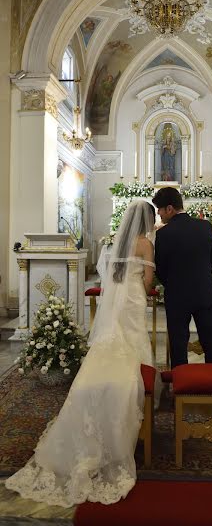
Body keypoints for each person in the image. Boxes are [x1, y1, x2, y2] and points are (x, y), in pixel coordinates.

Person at [6, 201, 157, 507]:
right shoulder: (145, 244)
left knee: (111, 343)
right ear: (148, 221)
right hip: (135, 299)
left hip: (118, 302)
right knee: (134, 345)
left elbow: (113, 274)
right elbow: (147, 280)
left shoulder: (120, 240)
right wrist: (143, 282)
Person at [152, 187, 212, 368]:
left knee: (178, 344)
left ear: (169, 208)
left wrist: (174, 283)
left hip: (177, 295)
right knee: (211, 341)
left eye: (159, 210)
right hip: (204, 292)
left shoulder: (163, 234)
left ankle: (180, 388)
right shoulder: (204, 226)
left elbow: (160, 268)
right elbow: (211, 260)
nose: (158, 214)